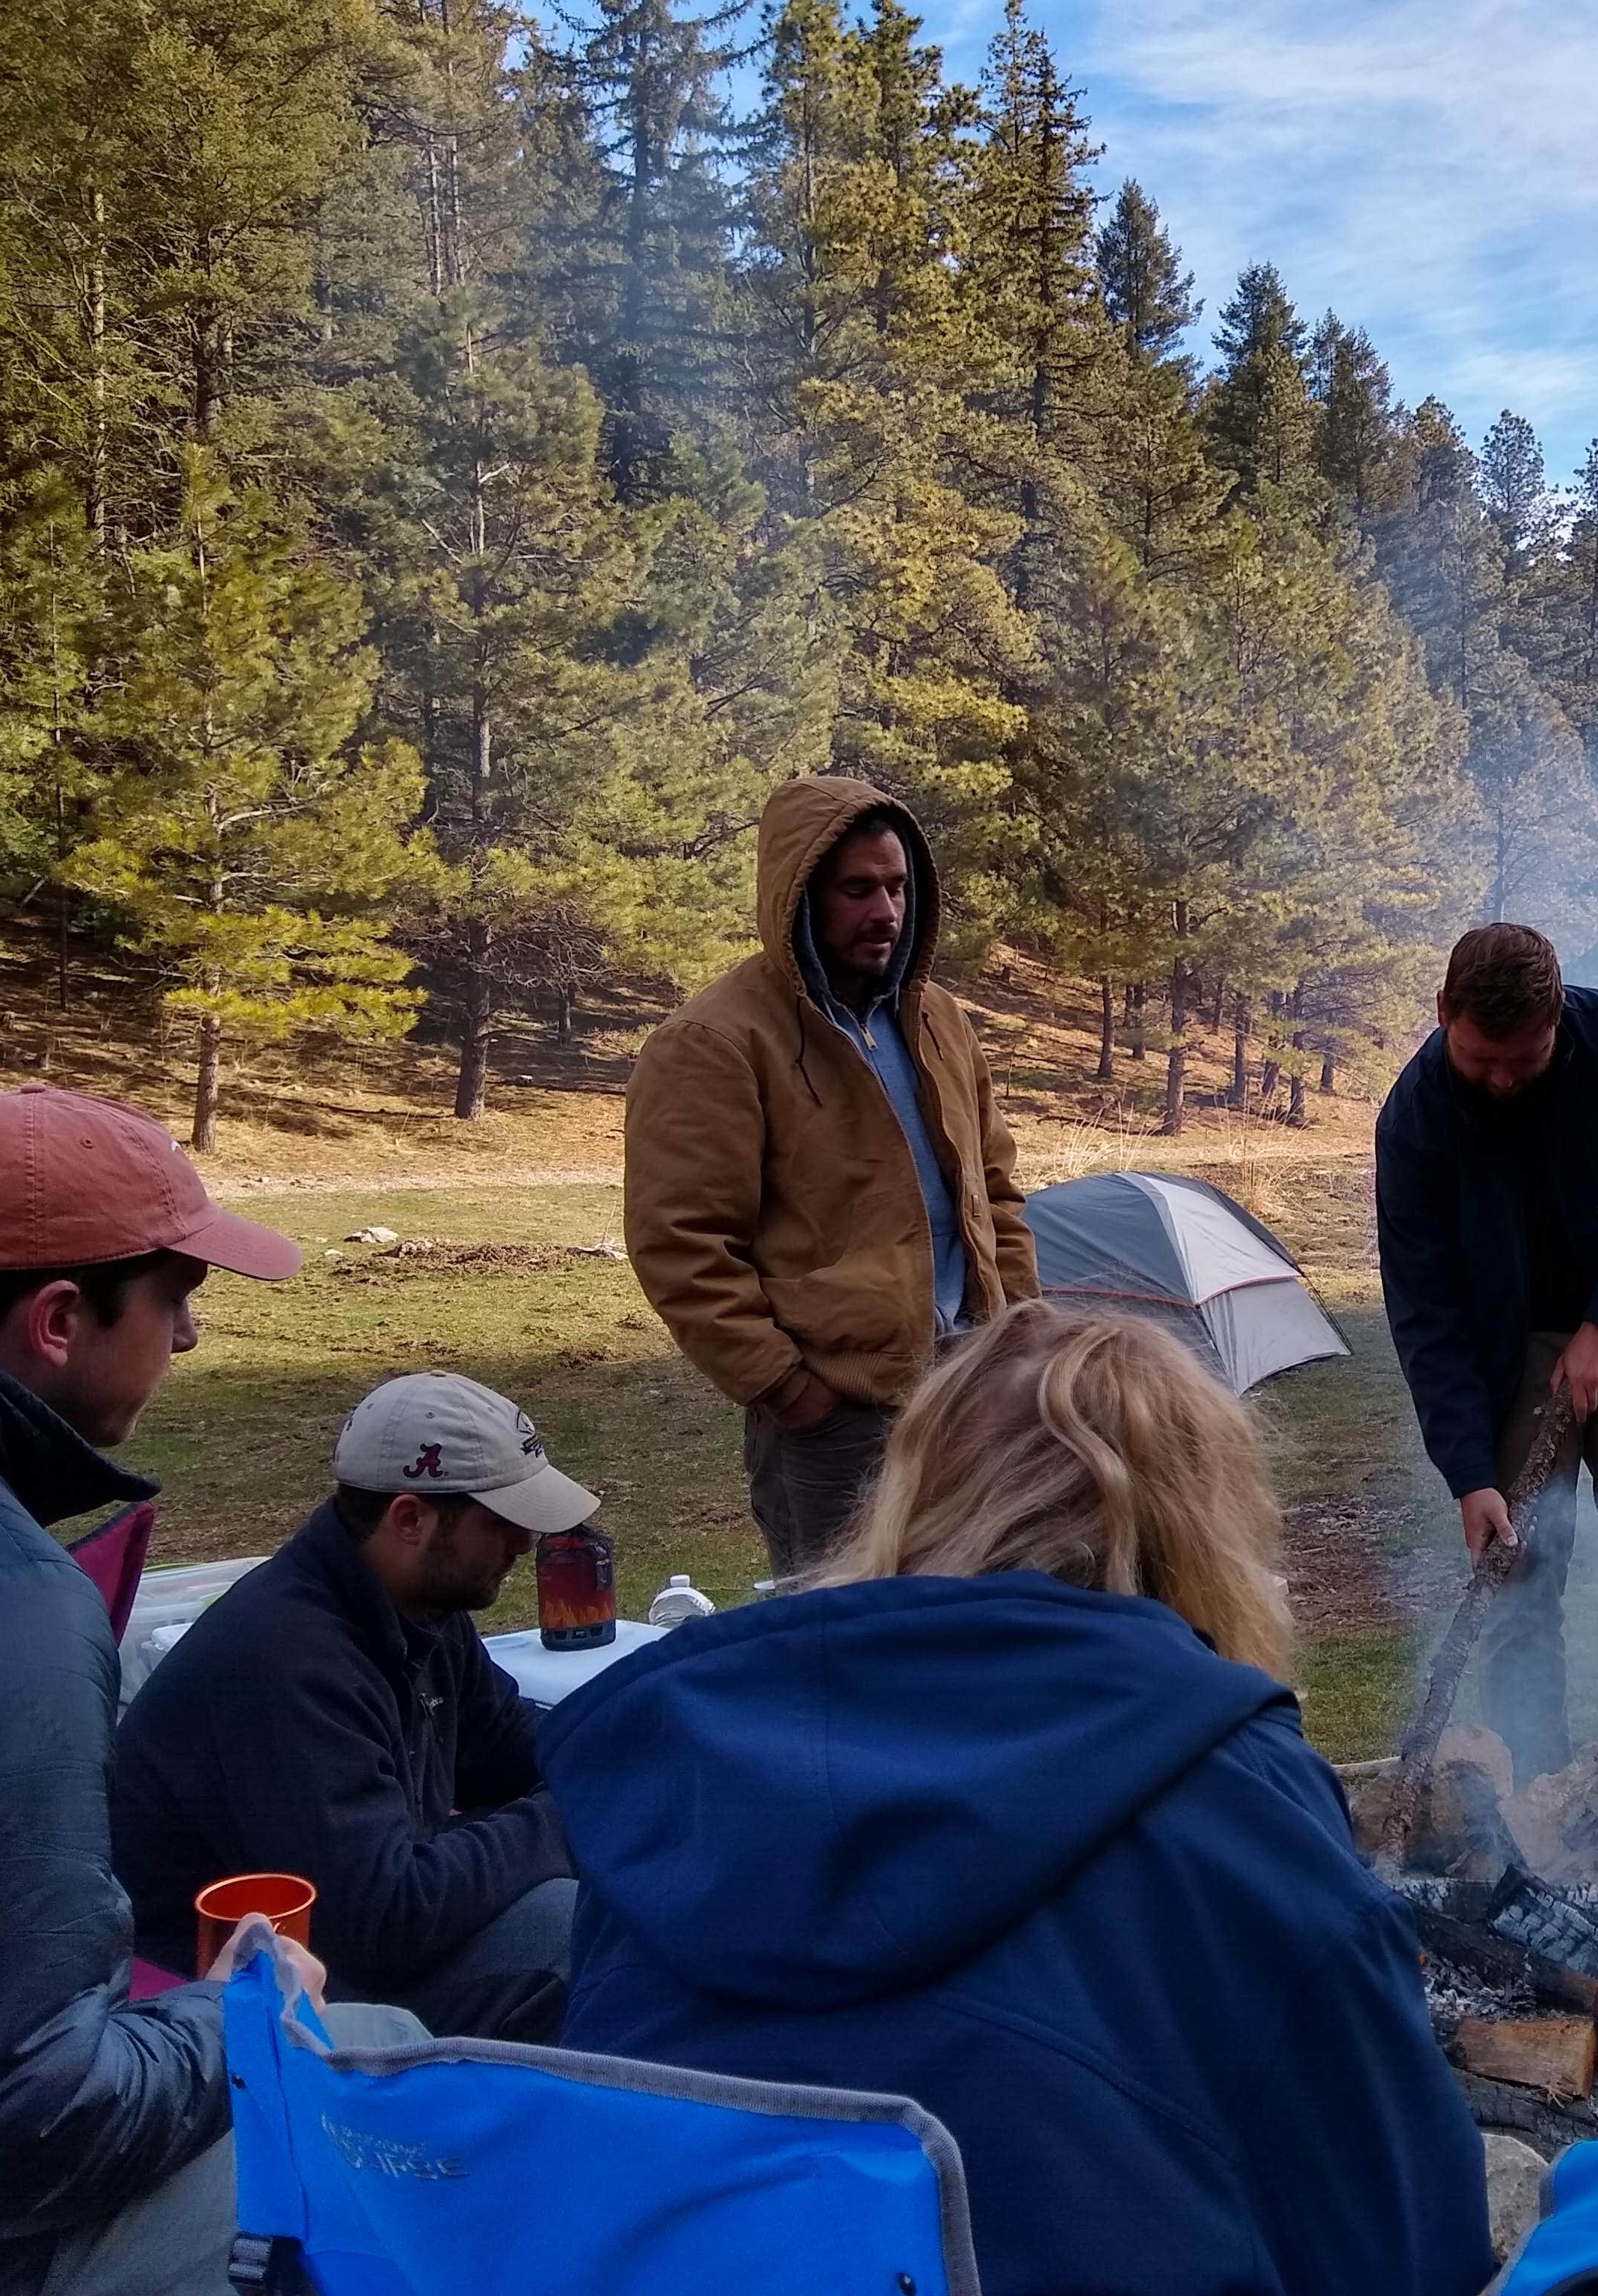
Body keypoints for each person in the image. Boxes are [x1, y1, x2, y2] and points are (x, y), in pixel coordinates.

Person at [543, 1302, 1492, 2296]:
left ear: (910, 1494)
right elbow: (1409, 2247)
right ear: (1201, 1529)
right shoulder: (1236, 1795)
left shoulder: (680, 1772)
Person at [0, 1085, 411, 2296]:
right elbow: (2, 2137)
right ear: (62, 1318)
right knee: (376, 2062)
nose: (186, 1337)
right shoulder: (0, 1604)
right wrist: (236, 2012)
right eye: (176, 1296)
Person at [626, 773, 1040, 1575]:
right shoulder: (714, 1042)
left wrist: (1017, 1333)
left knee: (975, 1625)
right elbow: (681, 1246)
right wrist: (790, 1390)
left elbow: (995, 1193)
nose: (884, 912)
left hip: (972, 1391)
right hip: (836, 1415)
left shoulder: (939, 1021)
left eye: (896, 887)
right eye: (856, 890)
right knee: (840, 1647)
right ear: (798, 896)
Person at [113, 1372, 591, 2044]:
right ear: (409, 1519)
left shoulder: (417, 1602)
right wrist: (571, 1814)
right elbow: (384, 1922)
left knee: (621, 1899)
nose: (525, 1543)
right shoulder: (284, 1661)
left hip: (359, 1932)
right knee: (588, 1941)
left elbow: (507, 1745)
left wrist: (619, 1752)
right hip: (235, 1996)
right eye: (503, 1522)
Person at [1375, 922, 1598, 1783]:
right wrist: (1468, 1474)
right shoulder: (1416, 1121)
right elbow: (1426, 1312)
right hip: (1506, 1350)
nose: (1501, 1080)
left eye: (1523, 1060)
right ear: (1443, 1010)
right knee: (1520, 1587)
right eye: (1482, 1059)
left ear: (1557, 1015)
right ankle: (1534, 1793)